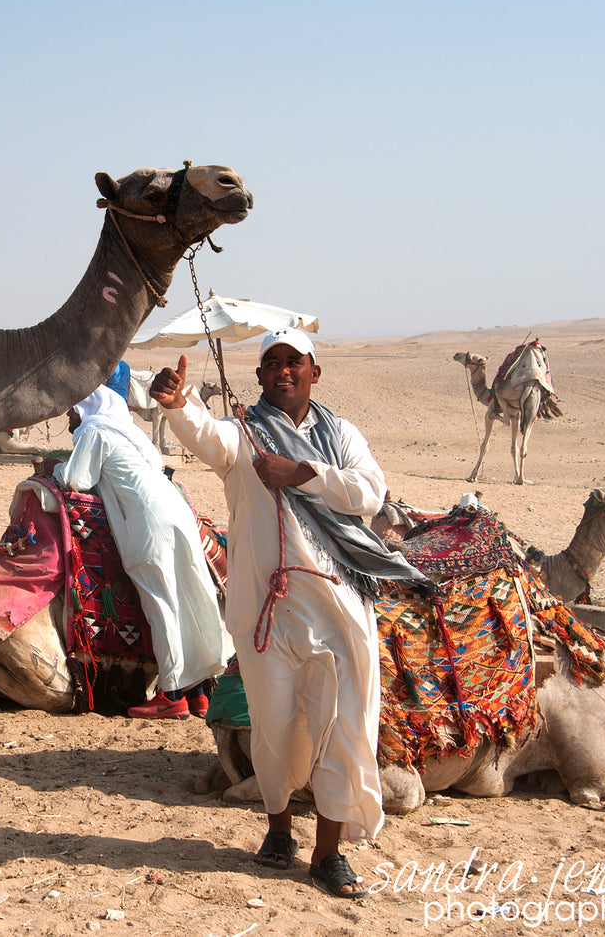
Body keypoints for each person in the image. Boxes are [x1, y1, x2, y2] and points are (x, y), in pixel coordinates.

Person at [151, 329, 433, 899]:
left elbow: (370, 493)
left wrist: (303, 473)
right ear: (258, 377)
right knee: (275, 729)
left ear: (314, 373)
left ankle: (327, 853)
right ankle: (278, 829)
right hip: (267, 614)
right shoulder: (243, 436)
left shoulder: (342, 435)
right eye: (272, 363)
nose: (283, 371)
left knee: (346, 728)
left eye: (294, 363)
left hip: (338, 609)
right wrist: (179, 406)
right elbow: (206, 437)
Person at [53, 384, 233, 719]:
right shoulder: (131, 436)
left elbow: (77, 479)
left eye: (73, 408)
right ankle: (198, 695)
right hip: (175, 514)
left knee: (161, 602)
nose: (69, 415)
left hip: (149, 524)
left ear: (88, 407)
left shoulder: (96, 432)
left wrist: (55, 470)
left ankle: (171, 694)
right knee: (187, 598)